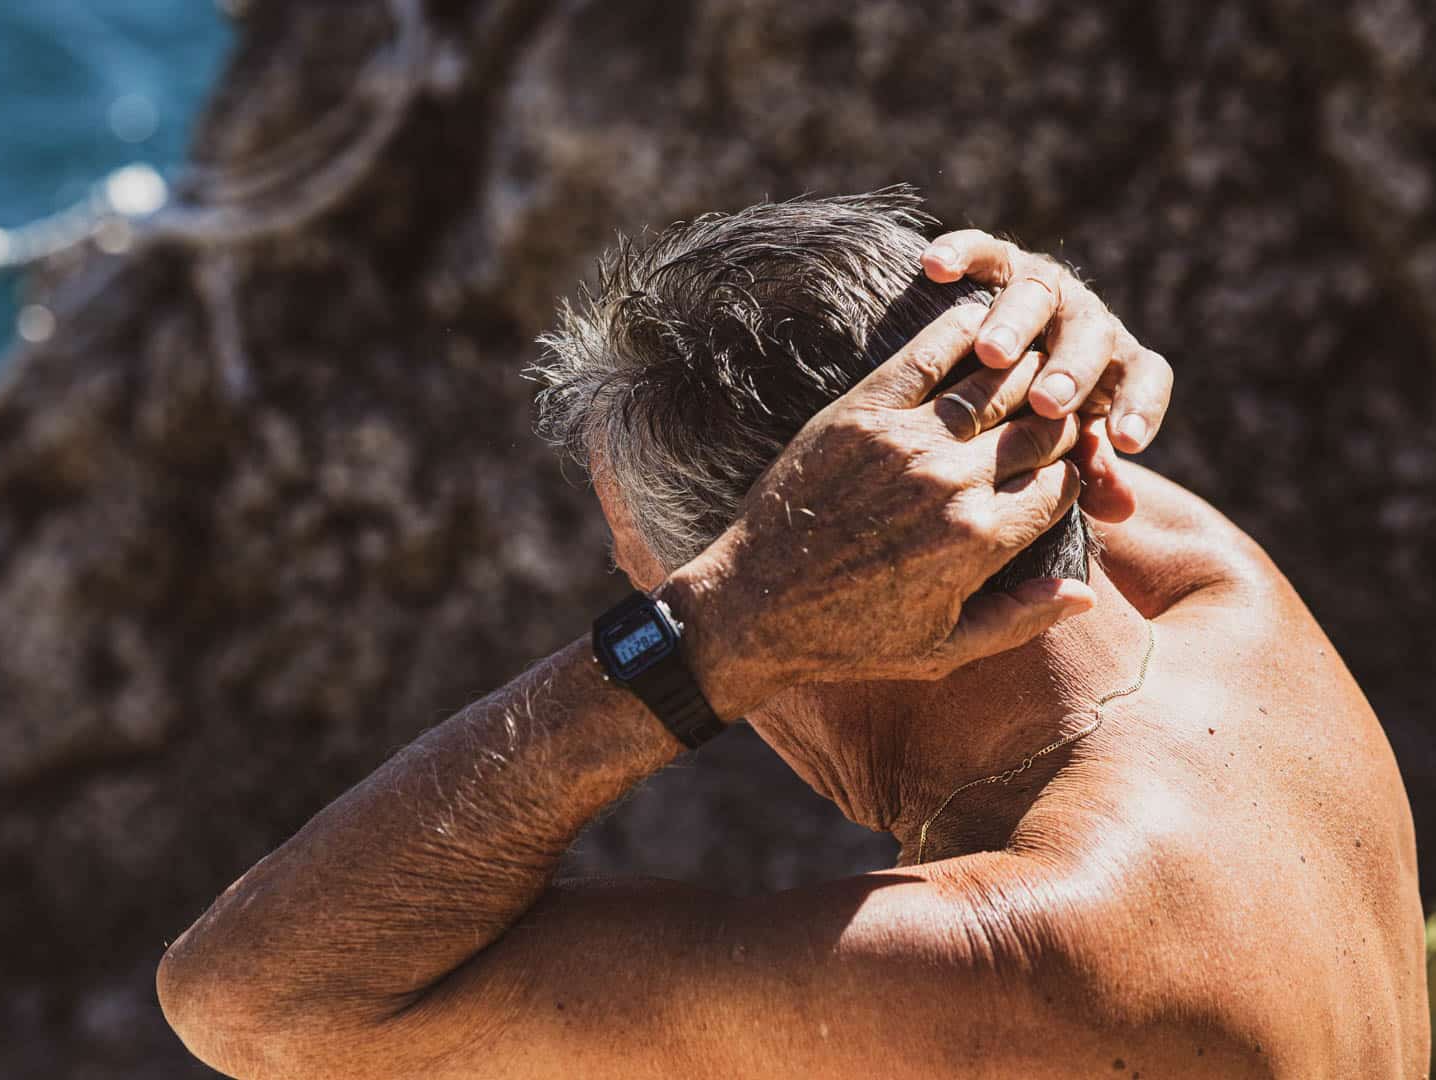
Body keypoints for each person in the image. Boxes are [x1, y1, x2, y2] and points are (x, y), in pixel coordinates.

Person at [155, 192, 1428, 1077]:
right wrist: (1040, 316)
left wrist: (711, 632)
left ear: (830, 596)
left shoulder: (1028, 958)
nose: (650, 602)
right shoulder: (1212, 591)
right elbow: (1013, 433)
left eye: (646, 583)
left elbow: (249, 1005)